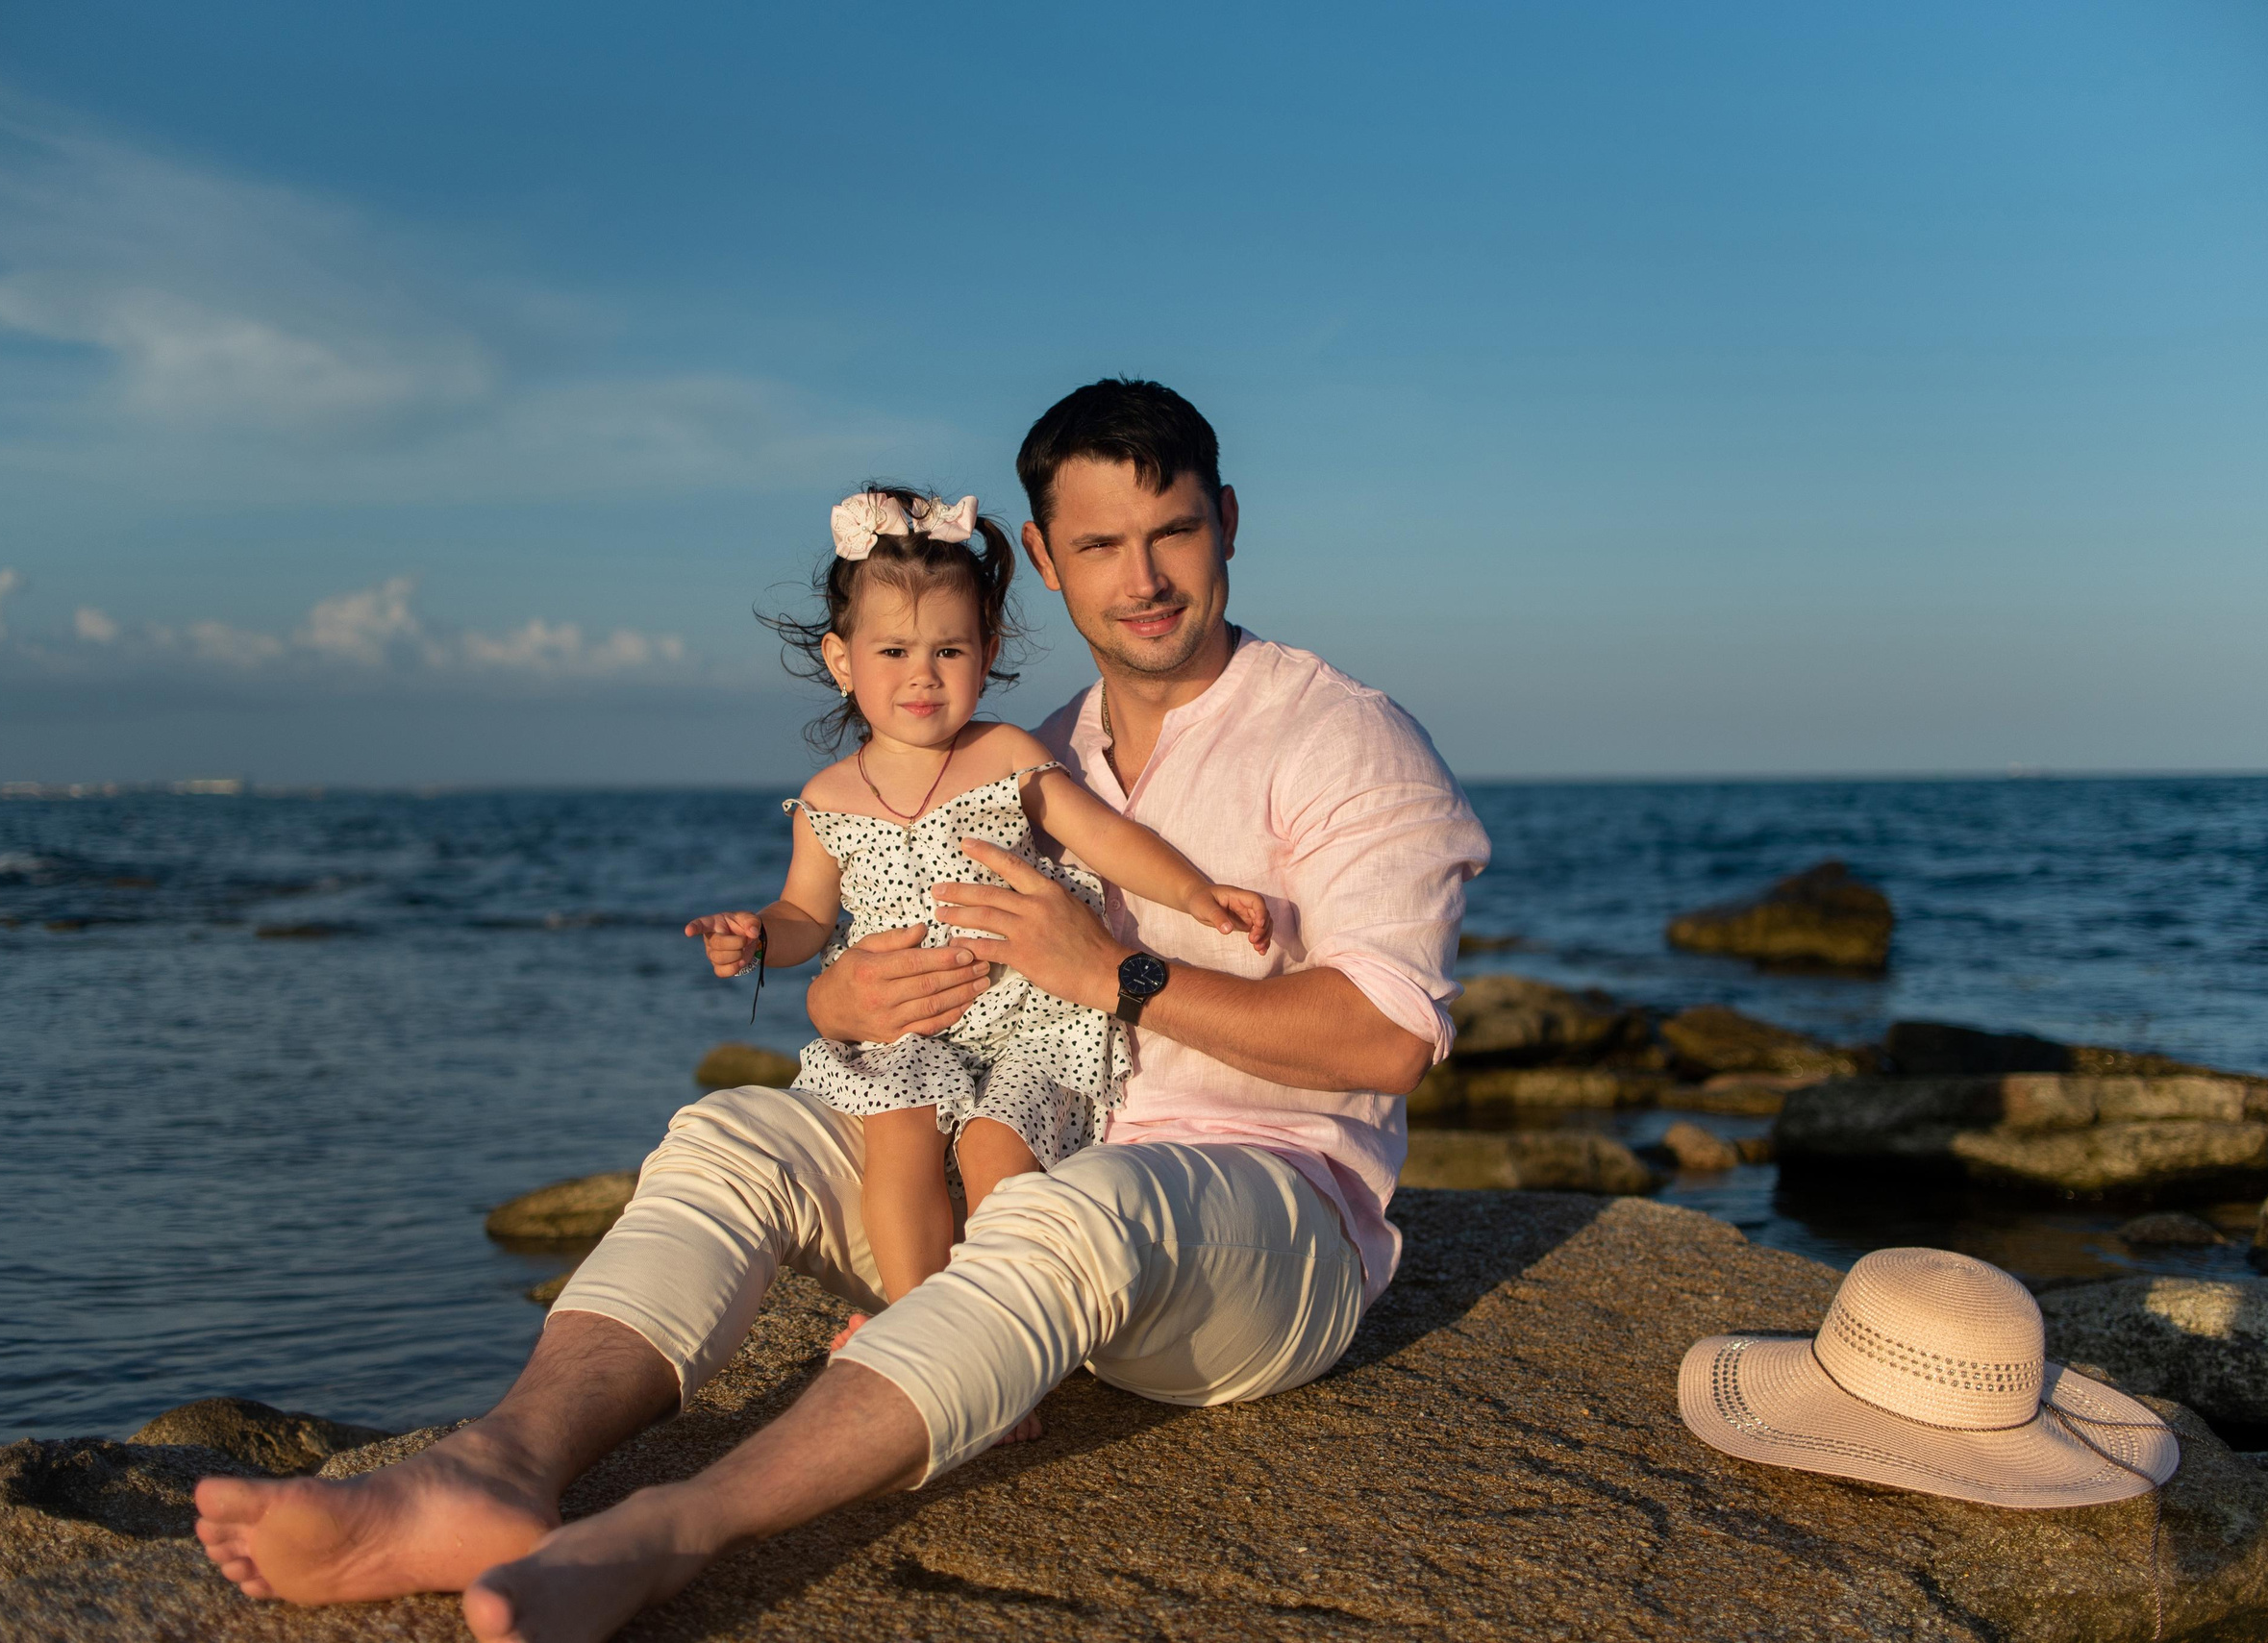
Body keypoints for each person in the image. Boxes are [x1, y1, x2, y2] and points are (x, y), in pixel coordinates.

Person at [192, 379, 1490, 1643]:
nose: (1142, 576)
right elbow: (864, 921)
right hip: (1021, 1156)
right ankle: (493, 1470)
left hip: (1255, 1224)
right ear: (1040, 558)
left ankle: (670, 1532)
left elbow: (1384, 1041)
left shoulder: (1344, 740)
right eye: (1101, 543)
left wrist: (1117, 972)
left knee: (1069, 1209)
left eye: (1174, 532)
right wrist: (835, 988)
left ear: (1229, 523)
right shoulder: (1028, 741)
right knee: (733, 1134)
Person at [682, 483, 1270, 1367]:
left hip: (1030, 1019)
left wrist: (1193, 893)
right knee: (896, 1125)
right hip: (916, 1024)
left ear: (988, 652)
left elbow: (1105, 836)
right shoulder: (827, 799)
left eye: (950, 649)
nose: (923, 674)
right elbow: (806, 912)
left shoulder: (1005, 757)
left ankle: (1000, 1341)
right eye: (893, 650)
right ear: (843, 660)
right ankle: (919, 1325)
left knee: (999, 1149)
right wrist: (759, 935)